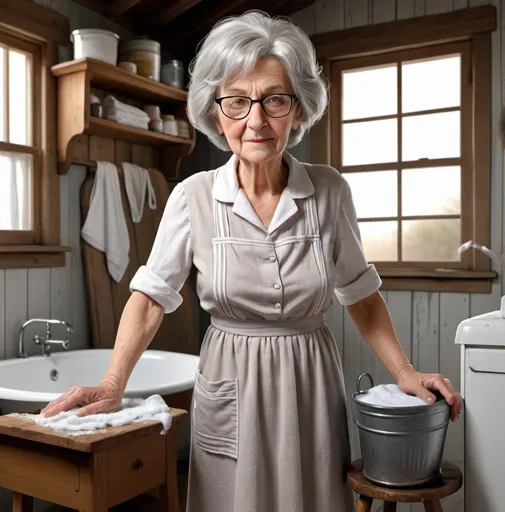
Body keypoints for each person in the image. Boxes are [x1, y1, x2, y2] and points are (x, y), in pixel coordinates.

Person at [41, 10, 462, 512]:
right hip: (230, 381)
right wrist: (114, 384)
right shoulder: (191, 196)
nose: (256, 120)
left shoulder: (329, 191)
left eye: (274, 100)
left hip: (310, 381)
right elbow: (151, 298)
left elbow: (360, 294)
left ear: (299, 110)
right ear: (217, 114)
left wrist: (405, 371)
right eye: (237, 102)